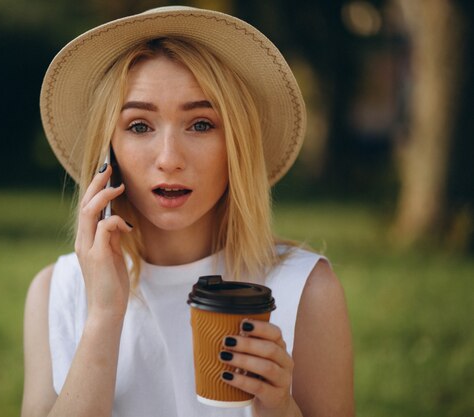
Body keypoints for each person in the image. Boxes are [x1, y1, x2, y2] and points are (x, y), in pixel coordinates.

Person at [22, 6, 354, 417]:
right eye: (140, 126)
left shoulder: (307, 292)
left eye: (200, 124)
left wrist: (279, 408)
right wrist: (103, 317)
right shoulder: (57, 292)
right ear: (108, 151)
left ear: (237, 144)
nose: (169, 158)